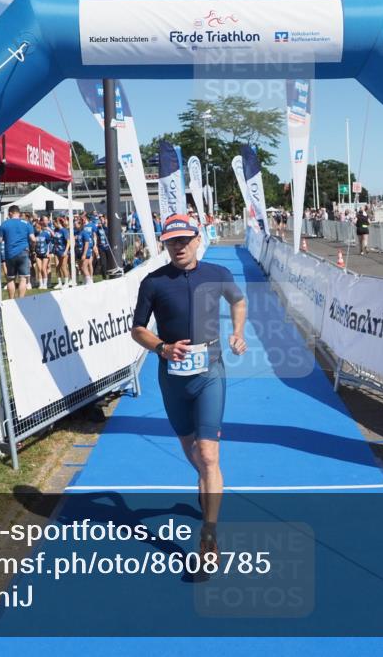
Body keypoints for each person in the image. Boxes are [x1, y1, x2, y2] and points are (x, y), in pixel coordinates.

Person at [130, 214, 248, 564]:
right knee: (193, 452)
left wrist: (237, 333)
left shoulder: (218, 275)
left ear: (198, 240)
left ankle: (208, 535)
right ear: (164, 245)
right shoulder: (153, 282)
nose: (179, 246)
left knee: (210, 455)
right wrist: (161, 348)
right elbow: (137, 329)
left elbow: (238, 302)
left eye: (184, 240)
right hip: (171, 376)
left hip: (210, 372)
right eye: (172, 241)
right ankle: (207, 484)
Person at [0, 205, 35, 299]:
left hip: (10, 254)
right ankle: (21, 301)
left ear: (10, 213)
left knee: (10, 279)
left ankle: (11, 300)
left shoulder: (4, 224)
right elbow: (33, 239)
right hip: (23, 252)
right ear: (18, 213)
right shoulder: (27, 224)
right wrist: (32, 249)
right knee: (23, 278)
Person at [74, 214, 95, 285]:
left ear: (80, 225)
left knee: (84, 267)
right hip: (79, 252)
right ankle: (85, 281)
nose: (74, 226)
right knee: (81, 267)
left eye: (76, 224)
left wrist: (84, 254)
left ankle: (90, 281)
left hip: (86, 253)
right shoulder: (78, 233)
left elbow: (86, 243)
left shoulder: (84, 233)